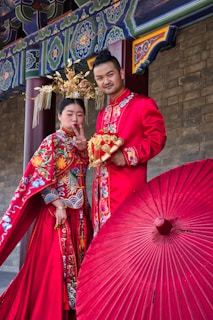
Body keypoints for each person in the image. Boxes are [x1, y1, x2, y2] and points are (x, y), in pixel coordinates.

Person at [0, 98, 93, 320]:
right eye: (69, 113)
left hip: (80, 215)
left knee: (81, 265)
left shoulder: (83, 145)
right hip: (56, 215)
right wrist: (58, 204)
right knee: (52, 268)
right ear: (60, 116)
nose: (74, 118)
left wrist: (86, 151)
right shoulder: (52, 142)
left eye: (79, 114)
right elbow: (39, 177)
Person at [91, 49, 167, 236]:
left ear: (121, 73)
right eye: (100, 78)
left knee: (125, 240)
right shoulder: (103, 114)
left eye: (110, 74)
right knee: (102, 244)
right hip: (101, 193)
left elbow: (158, 139)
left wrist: (126, 156)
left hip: (126, 189)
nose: (106, 81)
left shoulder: (143, 104)